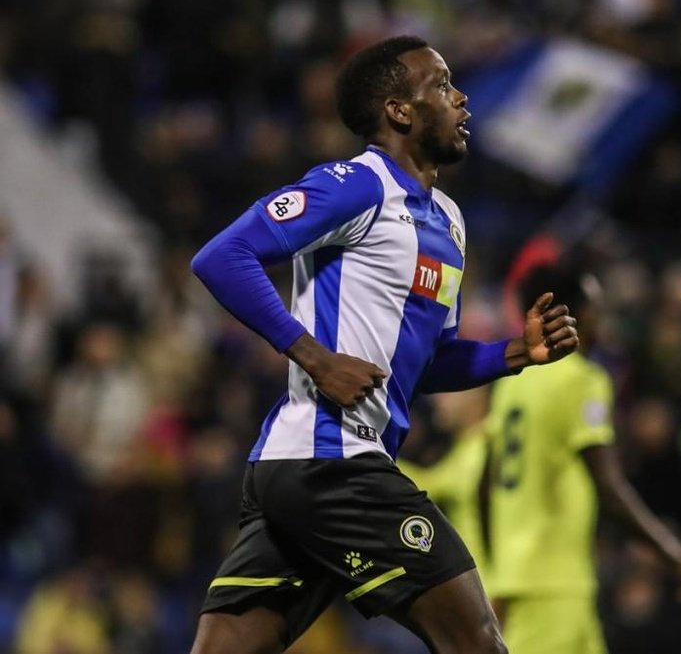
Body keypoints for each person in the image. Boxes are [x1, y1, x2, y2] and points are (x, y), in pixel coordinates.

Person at [188, 36, 579, 654]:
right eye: (444, 85)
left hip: (303, 473)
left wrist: (513, 354)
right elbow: (222, 256)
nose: (462, 99)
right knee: (476, 643)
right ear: (399, 110)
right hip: (333, 463)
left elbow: (425, 362)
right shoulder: (356, 186)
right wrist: (315, 357)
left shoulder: (448, 219)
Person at [485, 264, 681, 654]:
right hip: (554, 581)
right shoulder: (582, 379)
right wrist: (675, 555)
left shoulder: (512, 383)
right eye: (593, 304)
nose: (600, 315)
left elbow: (488, 482)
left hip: (520, 571)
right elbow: (608, 485)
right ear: (569, 313)